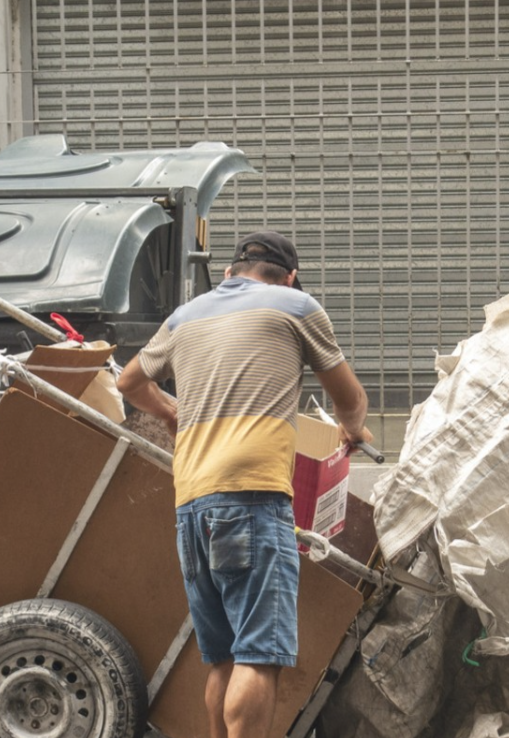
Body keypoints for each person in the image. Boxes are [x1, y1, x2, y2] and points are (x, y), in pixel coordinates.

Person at [116, 230, 372, 738]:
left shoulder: (186, 315)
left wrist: (170, 412)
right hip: (252, 497)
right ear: (290, 276)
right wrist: (353, 428)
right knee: (259, 654)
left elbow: (128, 382)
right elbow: (350, 398)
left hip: (191, 501)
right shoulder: (297, 306)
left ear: (231, 273)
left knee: (224, 657)